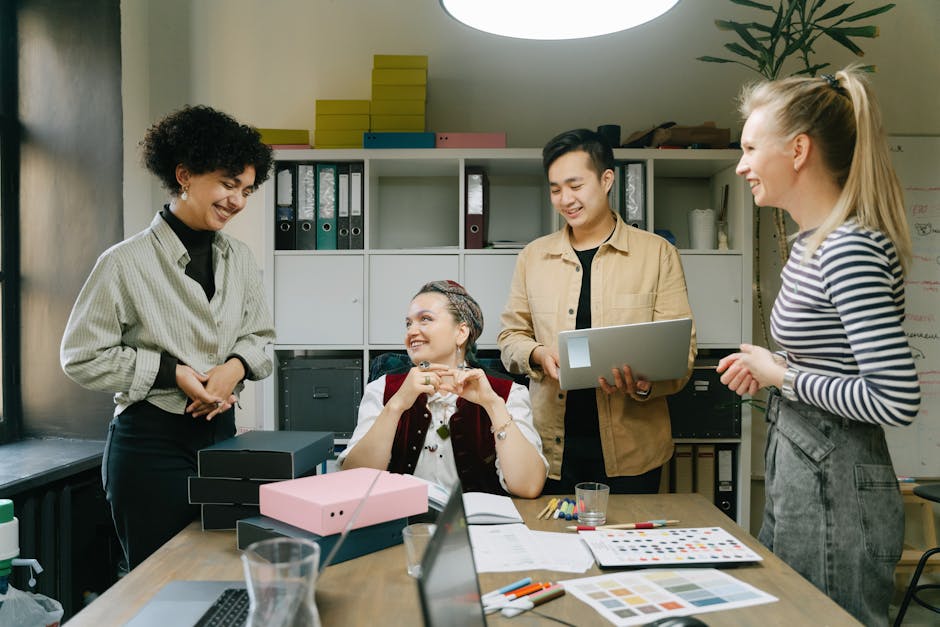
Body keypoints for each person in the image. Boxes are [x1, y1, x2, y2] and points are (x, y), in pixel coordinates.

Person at [716, 66, 921, 626]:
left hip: (837, 484)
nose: (741, 165)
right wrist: (775, 367)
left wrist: (782, 376)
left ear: (798, 149)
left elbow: (895, 398)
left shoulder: (847, 248)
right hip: (804, 470)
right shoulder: (815, 244)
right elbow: (839, 363)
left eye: (752, 148)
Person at [60, 105, 275, 570]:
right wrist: (171, 373)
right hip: (150, 445)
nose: (237, 200)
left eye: (246, 189)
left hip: (222, 439)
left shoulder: (240, 257)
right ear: (185, 174)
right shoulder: (124, 262)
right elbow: (80, 356)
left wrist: (232, 369)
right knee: (161, 583)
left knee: (223, 570)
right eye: (226, 183)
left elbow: (261, 338)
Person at [498, 129, 696, 495]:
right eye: (555, 189)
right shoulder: (533, 258)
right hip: (549, 449)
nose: (565, 199)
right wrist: (538, 354)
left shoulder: (657, 254)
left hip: (634, 451)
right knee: (552, 549)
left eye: (575, 185)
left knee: (628, 548)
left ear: (607, 180)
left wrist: (644, 383)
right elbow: (510, 338)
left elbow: (681, 354)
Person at [340, 280, 547, 498]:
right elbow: (355, 481)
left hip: (478, 529)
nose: (412, 331)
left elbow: (529, 486)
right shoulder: (382, 389)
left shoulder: (507, 393)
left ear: (461, 332)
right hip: (403, 528)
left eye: (425, 319)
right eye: (408, 323)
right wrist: (396, 405)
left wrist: (493, 405)